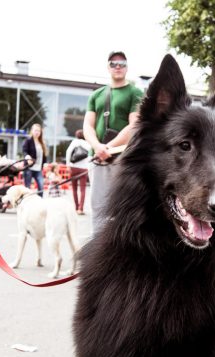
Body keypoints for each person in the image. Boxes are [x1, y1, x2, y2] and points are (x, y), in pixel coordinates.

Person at [83, 51, 144, 234]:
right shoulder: (97, 95)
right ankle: (98, 248)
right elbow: (87, 125)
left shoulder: (135, 93)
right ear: (108, 66)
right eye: (114, 63)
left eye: (122, 63)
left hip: (121, 157)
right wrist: (97, 147)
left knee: (121, 205)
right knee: (98, 206)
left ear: (127, 67)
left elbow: (134, 125)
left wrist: (109, 147)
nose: (118, 67)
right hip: (97, 157)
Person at [64, 129, 91, 214]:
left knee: (74, 189)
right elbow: (90, 156)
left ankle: (76, 208)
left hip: (73, 167)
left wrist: (68, 164)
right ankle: (81, 208)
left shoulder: (74, 142)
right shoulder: (88, 144)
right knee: (83, 190)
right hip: (83, 169)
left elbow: (68, 152)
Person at [20, 123, 47, 196]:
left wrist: (44, 164)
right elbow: (24, 151)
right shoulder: (28, 140)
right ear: (32, 131)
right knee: (27, 188)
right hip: (29, 168)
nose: (37, 132)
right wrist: (27, 157)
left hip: (38, 169)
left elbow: (44, 156)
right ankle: (26, 203)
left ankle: (39, 204)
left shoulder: (42, 142)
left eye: (39, 131)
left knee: (41, 187)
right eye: (35, 130)